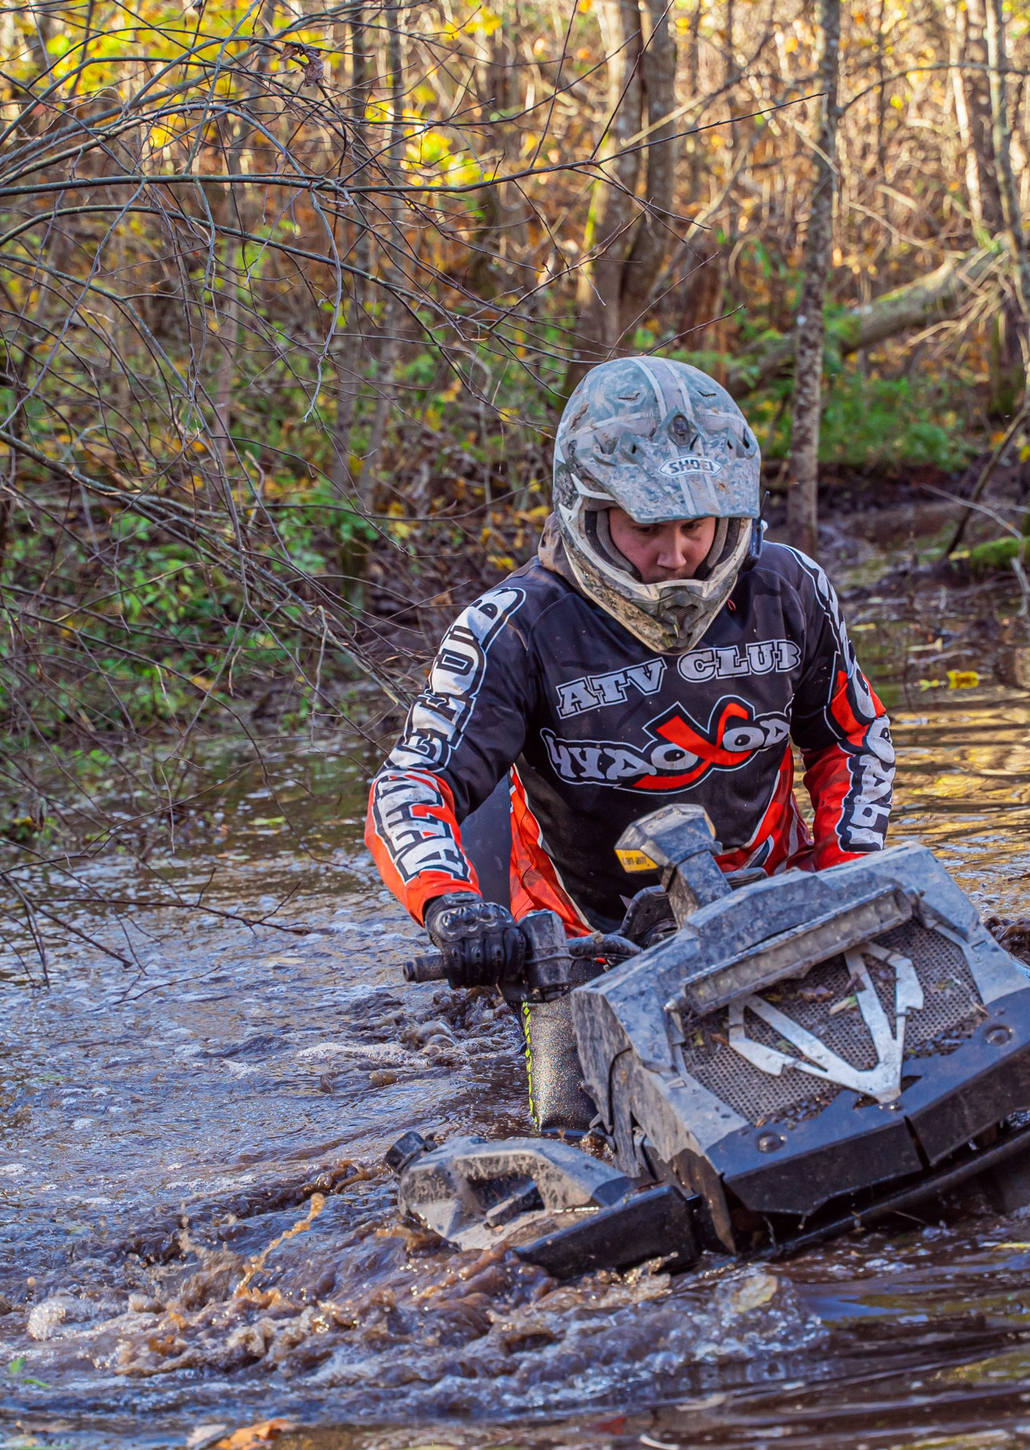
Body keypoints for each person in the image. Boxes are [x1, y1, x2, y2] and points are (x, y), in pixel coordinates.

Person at [365, 355, 894, 1120]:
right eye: (647, 526)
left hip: (772, 903)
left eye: (695, 526)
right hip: (585, 942)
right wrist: (453, 907)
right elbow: (412, 781)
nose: (675, 555)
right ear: (591, 511)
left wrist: (844, 869)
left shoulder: (789, 588)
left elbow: (853, 734)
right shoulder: (512, 627)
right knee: (576, 1131)